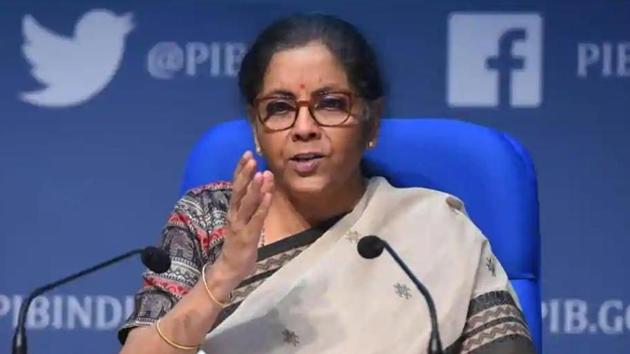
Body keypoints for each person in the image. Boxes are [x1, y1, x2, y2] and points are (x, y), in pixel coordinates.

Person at [118, 13, 536, 354]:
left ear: (371, 120)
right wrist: (225, 273)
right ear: (256, 127)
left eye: (331, 104)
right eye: (279, 108)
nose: (304, 128)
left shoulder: (434, 230)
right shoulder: (208, 218)